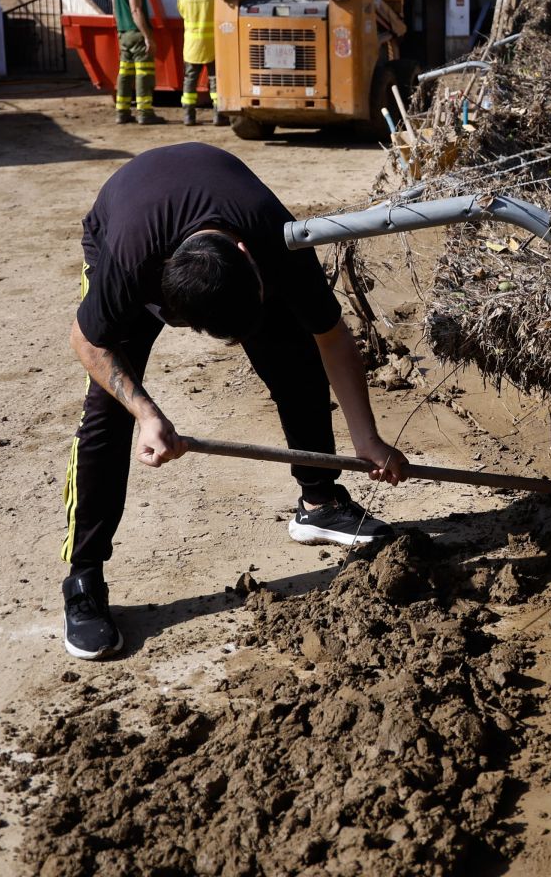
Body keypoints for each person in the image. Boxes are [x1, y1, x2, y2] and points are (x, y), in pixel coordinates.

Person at [60, 142, 409, 659]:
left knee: (295, 360)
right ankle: (84, 578)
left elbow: (332, 337)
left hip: (225, 229)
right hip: (126, 215)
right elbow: (86, 340)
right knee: (108, 413)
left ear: (249, 261)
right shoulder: (130, 259)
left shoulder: (278, 239)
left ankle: (319, 503)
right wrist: (148, 413)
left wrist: (368, 439)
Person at [111, 0, 163, 125]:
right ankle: (144, 113)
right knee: (144, 74)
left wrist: (120, 31)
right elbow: (136, 9)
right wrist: (148, 36)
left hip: (124, 34)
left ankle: (122, 112)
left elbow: (115, 10)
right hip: (136, 34)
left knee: (125, 74)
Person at [176, 0, 225, 127]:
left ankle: (189, 116)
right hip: (212, 45)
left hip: (191, 46)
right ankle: (218, 116)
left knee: (190, 80)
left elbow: (182, 14)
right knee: (215, 80)